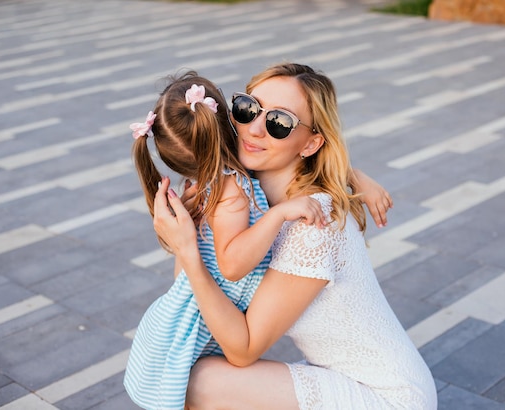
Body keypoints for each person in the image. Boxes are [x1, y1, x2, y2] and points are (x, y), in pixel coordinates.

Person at [152, 63, 437, 409]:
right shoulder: (247, 197)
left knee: (200, 382)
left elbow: (242, 349)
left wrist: (187, 251)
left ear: (311, 143)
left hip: (386, 396)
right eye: (248, 109)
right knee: (183, 375)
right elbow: (189, 295)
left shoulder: (313, 225)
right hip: (339, 376)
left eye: (279, 123)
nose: (255, 129)